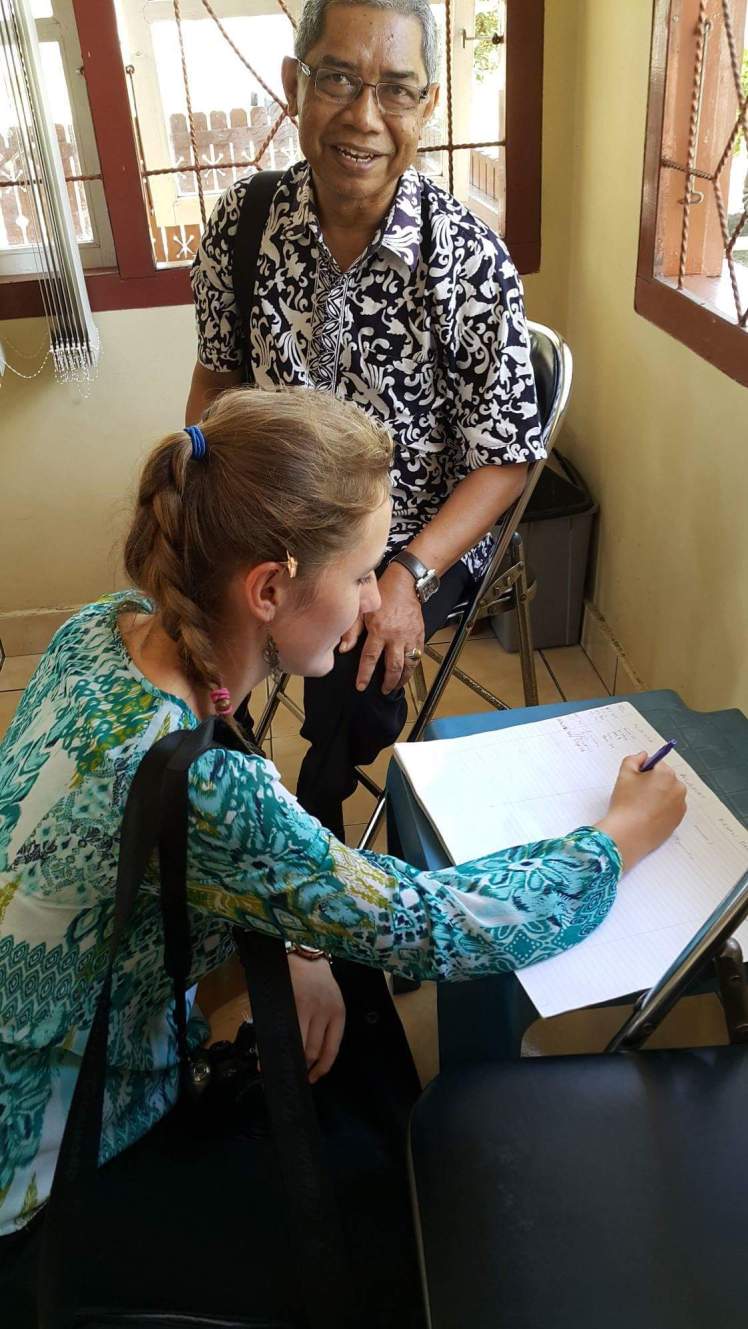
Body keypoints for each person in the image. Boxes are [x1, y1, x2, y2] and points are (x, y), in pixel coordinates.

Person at [0, 387, 685, 1323]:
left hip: (52, 1036)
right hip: (40, 1163)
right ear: (271, 589)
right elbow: (431, 926)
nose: (376, 601)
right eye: (365, 571)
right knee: (394, 1224)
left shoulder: (101, 629)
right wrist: (618, 838)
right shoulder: (207, 787)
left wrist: (299, 939)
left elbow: (183, 865)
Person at [187, 0, 546, 839]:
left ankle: (312, 828)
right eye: (339, 78)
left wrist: (405, 575)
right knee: (189, 609)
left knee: (350, 641)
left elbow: (507, 459)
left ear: (426, 108)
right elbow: (217, 385)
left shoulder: (466, 262)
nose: (363, 117)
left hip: (425, 534)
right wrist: (204, 512)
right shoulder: (243, 229)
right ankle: (213, 800)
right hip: (283, 525)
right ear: (294, 84)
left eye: (396, 90)